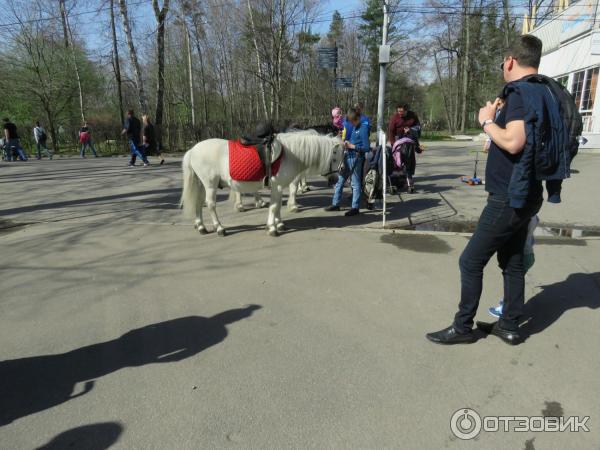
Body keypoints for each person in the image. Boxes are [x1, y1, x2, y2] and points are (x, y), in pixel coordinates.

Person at [426, 35, 548, 346]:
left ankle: (463, 327)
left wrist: (486, 122)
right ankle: (509, 325)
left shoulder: (520, 92)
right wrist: (497, 122)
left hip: (509, 196)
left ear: (510, 61)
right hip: (528, 193)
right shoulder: (541, 90)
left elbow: (514, 141)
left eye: (502, 63)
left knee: (470, 261)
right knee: (513, 262)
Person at [325, 108, 370, 216]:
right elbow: (354, 141)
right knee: (340, 181)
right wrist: (346, 142)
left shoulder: (363, 128)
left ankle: (355, 207)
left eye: (353, 121)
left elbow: (367, 148)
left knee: (355, 183)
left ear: (358, 118)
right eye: (350, 121)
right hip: (348, 156)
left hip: (356, 158)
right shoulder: (355, 127)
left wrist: (352, 146)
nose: (352, 123)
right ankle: (335, 204)